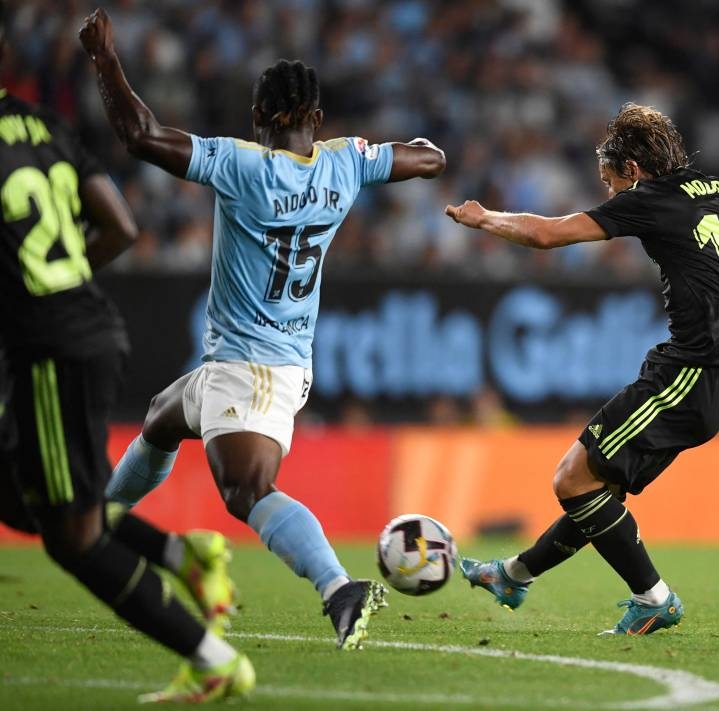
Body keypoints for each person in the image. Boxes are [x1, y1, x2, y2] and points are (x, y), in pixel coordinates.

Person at [446, 103, 719, 635]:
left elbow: (547, 235)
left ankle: (654, 598)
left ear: (633, 169)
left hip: (691, 370)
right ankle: (513, 575)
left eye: (610, 179)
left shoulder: (649, 198)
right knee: (600, 495)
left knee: (572, 479)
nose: (610, 191)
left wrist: (484, 218)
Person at [79, 8, 446, 649]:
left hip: (252, 370)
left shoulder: (239, 164)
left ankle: (338, 587)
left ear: (256, 116)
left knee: (246, 489)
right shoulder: (344, 164)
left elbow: (140, 135)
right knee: (163, 417)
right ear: (317, 119)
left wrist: (105, 59)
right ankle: (98, 526)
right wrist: (382, 151)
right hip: (269, 362)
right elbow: (430, 159)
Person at [0, 3, 252, 702]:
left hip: (49, 348)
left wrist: (33, 295)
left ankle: (210, 658)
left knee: (71, 538)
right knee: (22, 502)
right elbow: (120, 226)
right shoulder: (44, 127)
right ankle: (181, 554)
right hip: (84, 329)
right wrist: (58, 280)